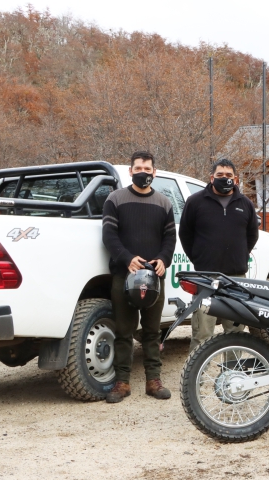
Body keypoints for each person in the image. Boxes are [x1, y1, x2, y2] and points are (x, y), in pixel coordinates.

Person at [102, 151, 177, 403]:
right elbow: (109, 236)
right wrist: (127, 258)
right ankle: (122, 382)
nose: (143, 172)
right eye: (138, 168)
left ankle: (153, 381)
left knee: (152, 332)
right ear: (130, 172)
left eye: (147, 168)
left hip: (154, 277)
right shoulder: (115, 199)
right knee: (123, 331)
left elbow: (170, 238)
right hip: (124, 276)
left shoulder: (164, 203)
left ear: (154, 172)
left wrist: (163, 260)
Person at [179, 158, 259, 352]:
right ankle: (194, 379)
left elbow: (252, 236)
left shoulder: (246, 204)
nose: (225, 179)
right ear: (211, 177)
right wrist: (199, 258)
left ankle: (232, 379)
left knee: (235, 333)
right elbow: (185, 234)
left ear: (236, 179)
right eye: (220, 175)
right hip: (206, 278)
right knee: (202, 334)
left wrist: (239, 256)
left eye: (229, 176)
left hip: (236, 279)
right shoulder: (195, 202)